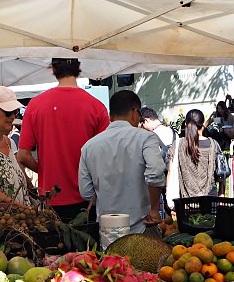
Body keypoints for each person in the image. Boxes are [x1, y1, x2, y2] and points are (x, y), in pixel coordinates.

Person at [16, 58, 110, 221]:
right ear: (78, 68)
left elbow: (23, 156)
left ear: (53, 69)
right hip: (87, 198)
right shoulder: (97, 107)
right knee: (87, 246)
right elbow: (104, 156)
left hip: (51, 198)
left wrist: (45, 171)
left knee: (54, 245)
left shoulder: (35, 105)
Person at [79, 90, 165, 235]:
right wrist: (155, 209)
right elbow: (155, 172)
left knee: (111, 258)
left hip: (108, 230)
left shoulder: (89, 146)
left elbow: (86, 192)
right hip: (142, 226)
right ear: (134, 112)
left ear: (110, 116)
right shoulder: (146, 138)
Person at [164, 109, 219, 211]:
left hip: (184, 203)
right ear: (202, 125)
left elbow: (170, 172)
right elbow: (221, 173)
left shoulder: (178, 145)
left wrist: (168, 192)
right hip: (210, 201)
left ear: (185, 124)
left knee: (186, 226)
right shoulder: (213, 144)